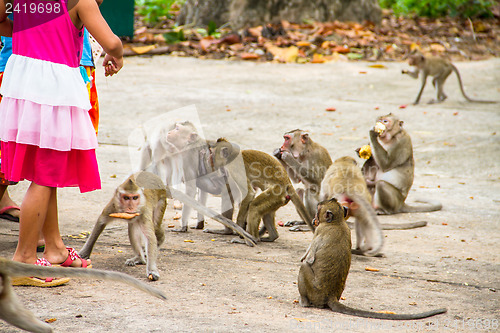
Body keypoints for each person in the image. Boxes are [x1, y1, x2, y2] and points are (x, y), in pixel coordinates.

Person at [0, 0, 123, 287]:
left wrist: (23, 35)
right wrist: (117, 55)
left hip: (21, 86)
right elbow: (111, 42)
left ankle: (54, 247)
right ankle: (23, 259)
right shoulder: (81, 2)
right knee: (44, 176)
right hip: (54, 92)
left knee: (46, 171)